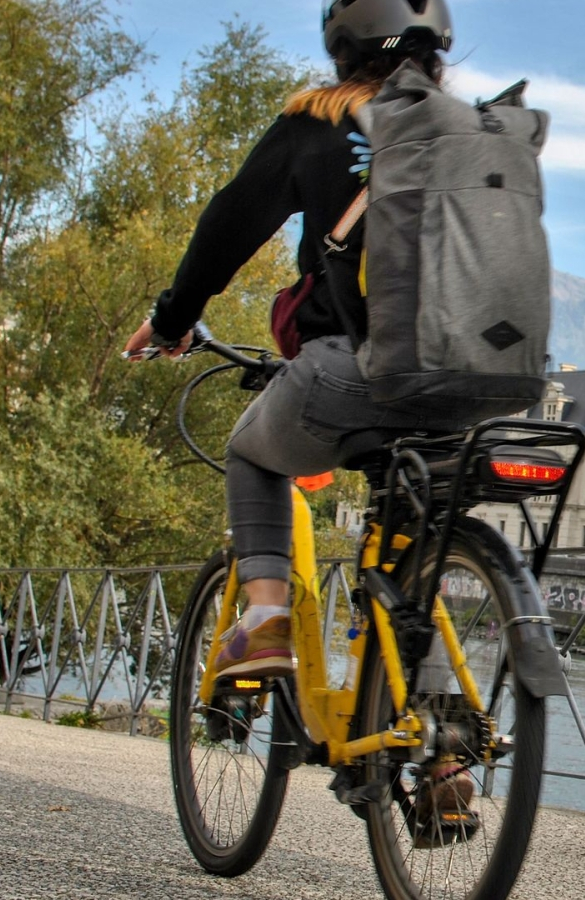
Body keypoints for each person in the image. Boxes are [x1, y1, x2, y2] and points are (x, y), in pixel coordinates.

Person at [121, 1, 480, 815]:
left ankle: (269, 620)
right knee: (408, 576)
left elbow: (228, 224)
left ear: (343, 42)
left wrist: (173, 319)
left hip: (357, 370)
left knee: (254, 450)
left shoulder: (321, 119)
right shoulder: (473, 132)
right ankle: (448, 766)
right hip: (468, 390)